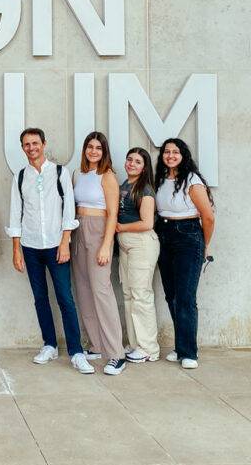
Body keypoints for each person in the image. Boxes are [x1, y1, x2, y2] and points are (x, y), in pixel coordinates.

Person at [7, 128, 94, 374]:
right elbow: (16, 213)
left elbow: (69, 210)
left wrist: (65, 241)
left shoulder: (60, 172)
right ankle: (50, 345)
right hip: (31, 246)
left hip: (57, 245)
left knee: (65, 298)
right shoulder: (20, 177)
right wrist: (16, 249)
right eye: (26, 144)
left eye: (35, 143)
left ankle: (77, 352)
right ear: (22, 148)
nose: (31, 148)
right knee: (40, 297)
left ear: (44, 144)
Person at [154, 138, 215, 369]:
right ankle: (180, 347)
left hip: (188, 236)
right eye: (166, 152)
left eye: (175, 152)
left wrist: (204, 245)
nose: (170, 155)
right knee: (172, 295)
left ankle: (189, 352)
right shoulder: (160, 179)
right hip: (164, 234)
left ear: (183, 155)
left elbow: (208, 217)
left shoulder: (191, 179)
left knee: (186, 298)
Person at [71, 131, 127, 376]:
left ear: (104, 152)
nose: (93, 151)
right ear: (85, 149)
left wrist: (106, 245)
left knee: (101, 291)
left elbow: (113, 214)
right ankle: (96, 345)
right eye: (90, 147)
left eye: (98, 148)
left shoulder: (108, 176)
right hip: (78, 229)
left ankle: (116, 353)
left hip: (98, 231)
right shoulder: (78, 173)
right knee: (83, 290)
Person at [116, 147, 160, 363]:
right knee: (128, 294)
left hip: (141, 244)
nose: (132, 164)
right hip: (125, 245)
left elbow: (147, 223)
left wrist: (119, 228)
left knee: (141, 295)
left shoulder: (145, 190)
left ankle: (148, 348)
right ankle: (134, 344)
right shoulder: (125, 185)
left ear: (144, 168)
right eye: (129, 159)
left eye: (137, 162)